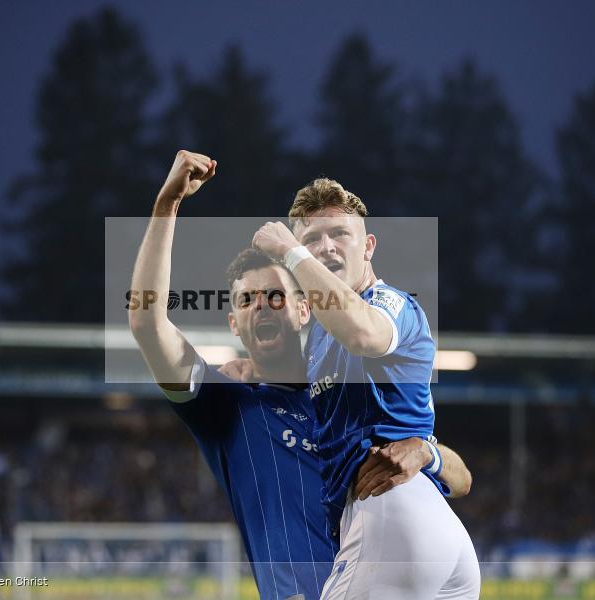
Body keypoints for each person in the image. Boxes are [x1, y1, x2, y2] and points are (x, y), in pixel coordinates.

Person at [129, 151, 473, 600]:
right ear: (234, 324)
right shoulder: (227, 403)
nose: (261, 305)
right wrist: (167, 204)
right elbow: (147, 323)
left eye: (275, 295)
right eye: (247, 300)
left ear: (305, 307)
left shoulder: (342, 387)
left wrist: (425, 451)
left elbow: (462, 478)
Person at [241, 178, 480, 599]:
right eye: (311, 238)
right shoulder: (318, 339)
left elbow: (366, 335)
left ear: (368, 246)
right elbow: (459, 475)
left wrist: (291, 252)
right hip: (426, 530)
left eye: (339, 233)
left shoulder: (389, 303)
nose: (326, 246)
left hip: (389, 517)